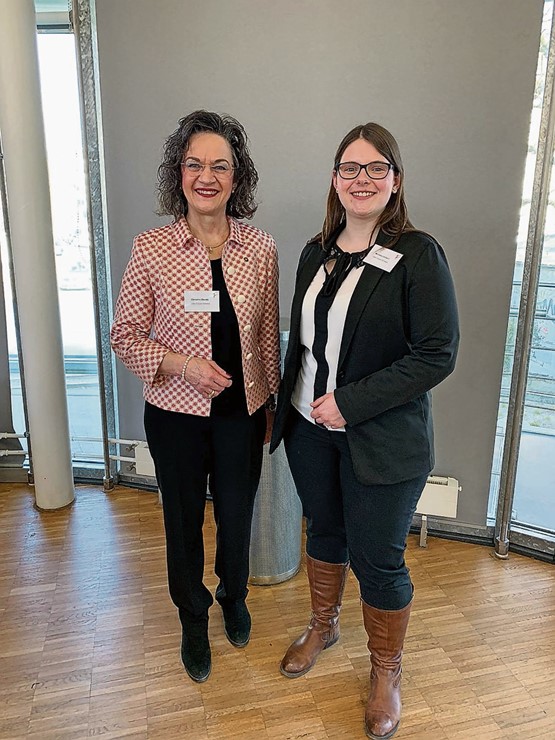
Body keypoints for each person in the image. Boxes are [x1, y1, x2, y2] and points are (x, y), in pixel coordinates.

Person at [270, 122, 459, 738]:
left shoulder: (418, 254)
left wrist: (349, 403)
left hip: (381, 440)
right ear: (334, 179)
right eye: (350, 167)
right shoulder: (314, 251)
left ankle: (385, 671)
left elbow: (437, 354)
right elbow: (305, 342)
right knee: (324, 529)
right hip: (306, 428)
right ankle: (323, 626)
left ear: (395, 180)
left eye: (376, 167)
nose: (362, 179)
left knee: (379, 559)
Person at [111, 110, 280, 683]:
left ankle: (235, 596)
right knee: (182, 522)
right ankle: (192, 615)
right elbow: (124, 336)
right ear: (178, 173)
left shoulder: (261, 248)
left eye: (220, 165)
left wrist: (271, 405)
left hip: (242, 415)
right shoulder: (152, 248)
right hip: (175, 418)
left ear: (238, 177)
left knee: (236, 517)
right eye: (194, 164)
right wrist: (182, 365)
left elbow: (265, 334)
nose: (206, 176)